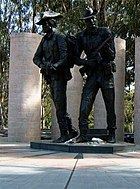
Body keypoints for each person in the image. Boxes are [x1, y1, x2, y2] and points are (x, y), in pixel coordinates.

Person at [33, 10, 78, 143]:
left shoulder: (60, 36)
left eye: (44, 23)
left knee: (60, 105)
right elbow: (35, 57)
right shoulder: (44, 40)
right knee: (59, 105)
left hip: (59, 76)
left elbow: (64, 56)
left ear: (51, 23)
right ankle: (72, 130)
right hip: (50, 76)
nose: (43, 26)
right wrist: (43, 65)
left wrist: (55, 65)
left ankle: (65, 133)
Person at [74, 7, 117, 143]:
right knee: (84, 106)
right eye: (88, 19)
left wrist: (105, 49)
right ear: (85, 22)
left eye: (93, 18)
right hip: (92, 74)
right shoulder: (81, 36)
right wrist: (86, 62)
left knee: (110, 106)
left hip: (105, 74)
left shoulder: (105, 33)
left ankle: (112, 133)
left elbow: (112, 55)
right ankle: (83, 134)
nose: (92, 21)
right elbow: (75, 58)